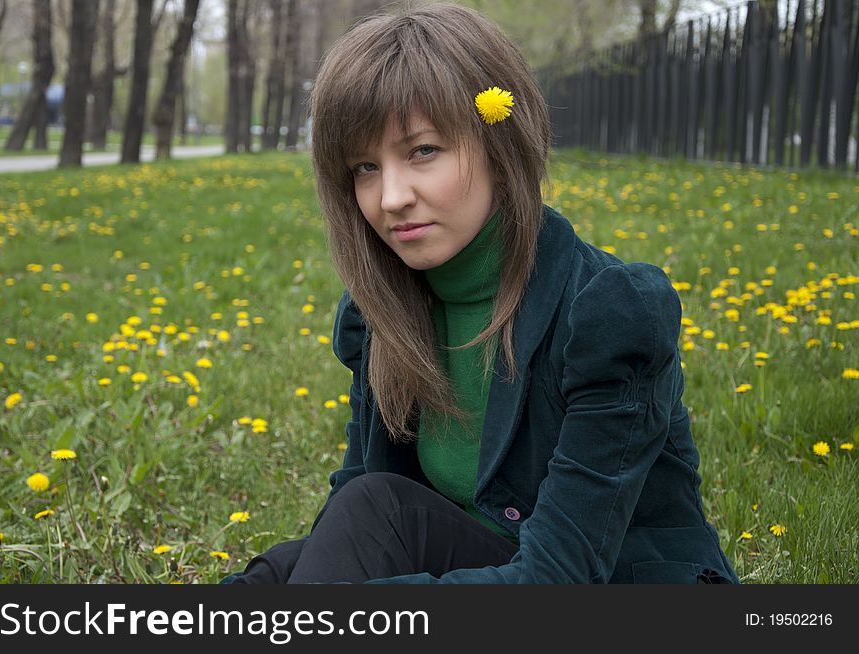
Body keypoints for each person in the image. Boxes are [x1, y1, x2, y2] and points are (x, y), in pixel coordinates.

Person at [226, 1, 739, 584]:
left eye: (422, 151)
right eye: (365, 167)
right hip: (482, 562)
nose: (391, 198)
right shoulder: (382, 317)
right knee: (277, 575)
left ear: (500, 145)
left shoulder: (606, 313)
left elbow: (558, 579)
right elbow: (355, 517)